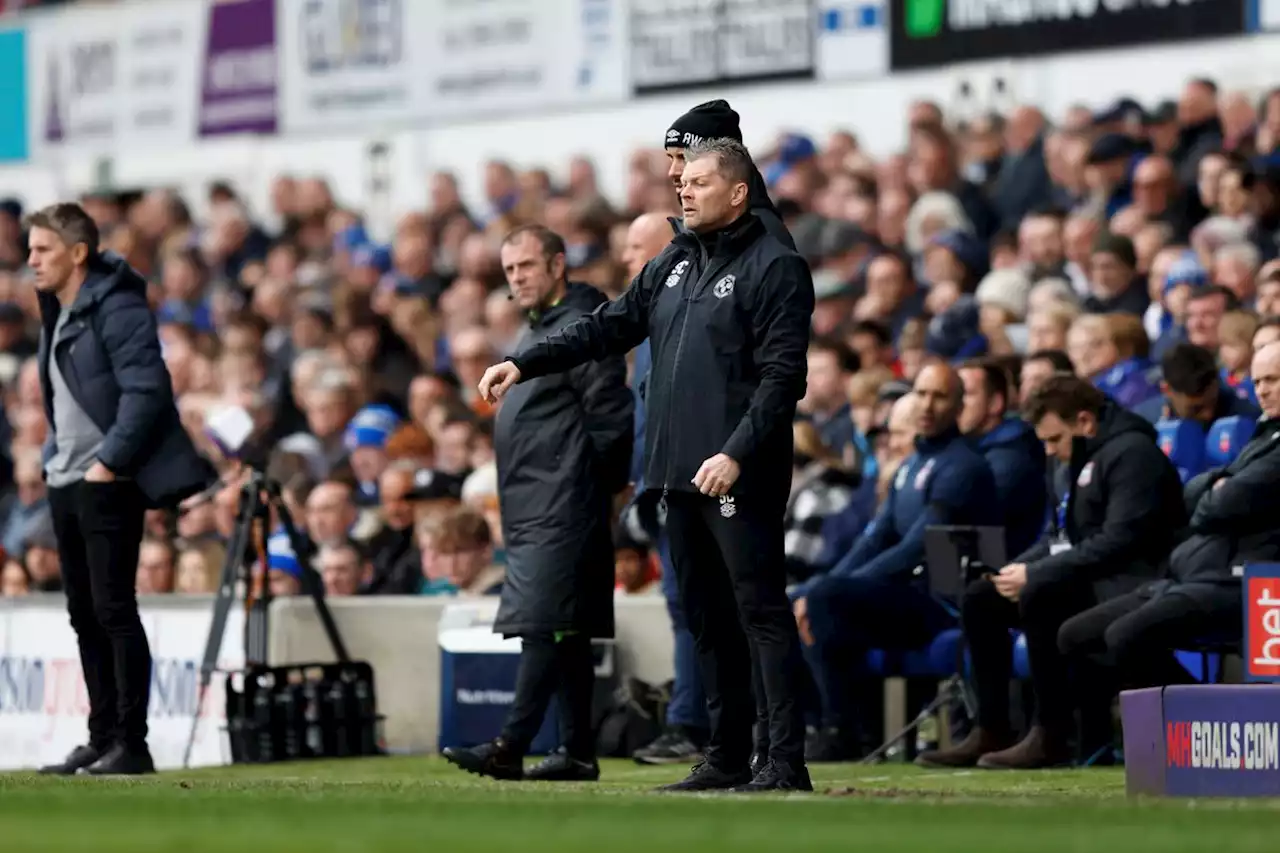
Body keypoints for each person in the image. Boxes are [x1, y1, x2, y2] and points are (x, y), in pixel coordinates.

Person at [478, 138, 814, 792]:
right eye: (682, 182)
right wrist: (525, 362)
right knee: (707, 620)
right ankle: (724, 755)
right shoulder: (674, 263)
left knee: (760, 615)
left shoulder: (775, 266)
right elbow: (605, 326)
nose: (683, 190)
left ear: (739, 191)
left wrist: (735, 452)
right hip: (675, 476)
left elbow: (782, 379)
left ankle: (783, 762)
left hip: (735, 474)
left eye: (700, 182)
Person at [443, 225, 633, 783]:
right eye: (509, 270)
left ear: (557, 264)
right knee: (564, 627)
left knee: (543, 623)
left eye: (527, 265)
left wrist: (602, 489)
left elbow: (610, 413)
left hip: (566, 499)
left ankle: (511, 743)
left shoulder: (581, 324)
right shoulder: (544, 329)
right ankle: (575, 751)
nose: (518, 278)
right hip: (537, 502)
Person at [28, 203, 213, 776]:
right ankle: (101, 735)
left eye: (44, 250)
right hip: (68, 477)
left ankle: (132, 743)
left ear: (78, 253)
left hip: (106, 480)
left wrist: (108, 463)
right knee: (84, 612)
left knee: (113, 610)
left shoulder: (118, 305)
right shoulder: (57, 307)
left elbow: (147, 390)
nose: (30, 260)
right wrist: (54, 457)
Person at [918, 376, 1184, 770]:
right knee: (982, 597)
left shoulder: (1133, 455)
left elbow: (1121, 540)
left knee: (1041, 593)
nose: (1049, 450)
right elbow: (1058, 535)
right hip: (1084, 576)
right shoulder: (1068, 463)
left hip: (1130, 582)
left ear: (1085, 422)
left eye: (1055, 439)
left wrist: (1038, 573)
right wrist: (1019, 566)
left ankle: (1051, 734)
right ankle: (991, 727)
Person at [794, 364, 998, 762]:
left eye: (940, 396)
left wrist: (833, 589)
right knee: (803, 601)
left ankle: (842, 729)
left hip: (945, 602)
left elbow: (917, 546)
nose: (928, 405)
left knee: (826, 598)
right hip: (906, 599)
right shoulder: (910, 467)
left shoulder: (962, 467)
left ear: (958, 406)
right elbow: (874, 540)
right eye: (921, 394)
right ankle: (820, 724)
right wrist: (820, 589)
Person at [1059, 341, 1280, 694]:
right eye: (1257, 382)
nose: (1264, 390)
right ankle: (1093, 745)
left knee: (1125, 635)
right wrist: (1216, 486)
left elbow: (1224, 501)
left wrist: (1217, 490)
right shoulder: (1263, 432)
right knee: (1075, 635)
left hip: (1246, 583)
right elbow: (1193, 494)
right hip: (1194, 572)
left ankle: (1209, 726)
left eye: (1274, 379)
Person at [957, 358, 1047, 558]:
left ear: (995, 403)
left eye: (967, 394)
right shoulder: (967, 449)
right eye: (955, 395)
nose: (957, 404)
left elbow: (966, 515)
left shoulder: (1013, 457)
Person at [1133, 342, 1260, 425]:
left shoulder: (1248, 418)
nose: (1208, 414)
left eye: (1213, 402)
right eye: (1196, 409)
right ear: (1166, 390)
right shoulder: (1145, 423)